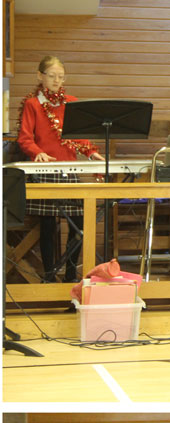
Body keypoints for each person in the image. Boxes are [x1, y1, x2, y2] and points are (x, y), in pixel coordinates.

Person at [16, 55, 104, 283]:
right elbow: (25, 139)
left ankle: (71, 273)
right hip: (44, 172)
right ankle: (48, 274)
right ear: (40, 76)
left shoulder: (71, 102)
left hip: (69, 170)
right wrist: (38, 152)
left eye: (61, 77)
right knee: (48, 225)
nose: (57, 81)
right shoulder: (32, 104)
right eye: (52, 76)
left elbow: (79, 138)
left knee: (79, 221)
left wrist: (91, 152)